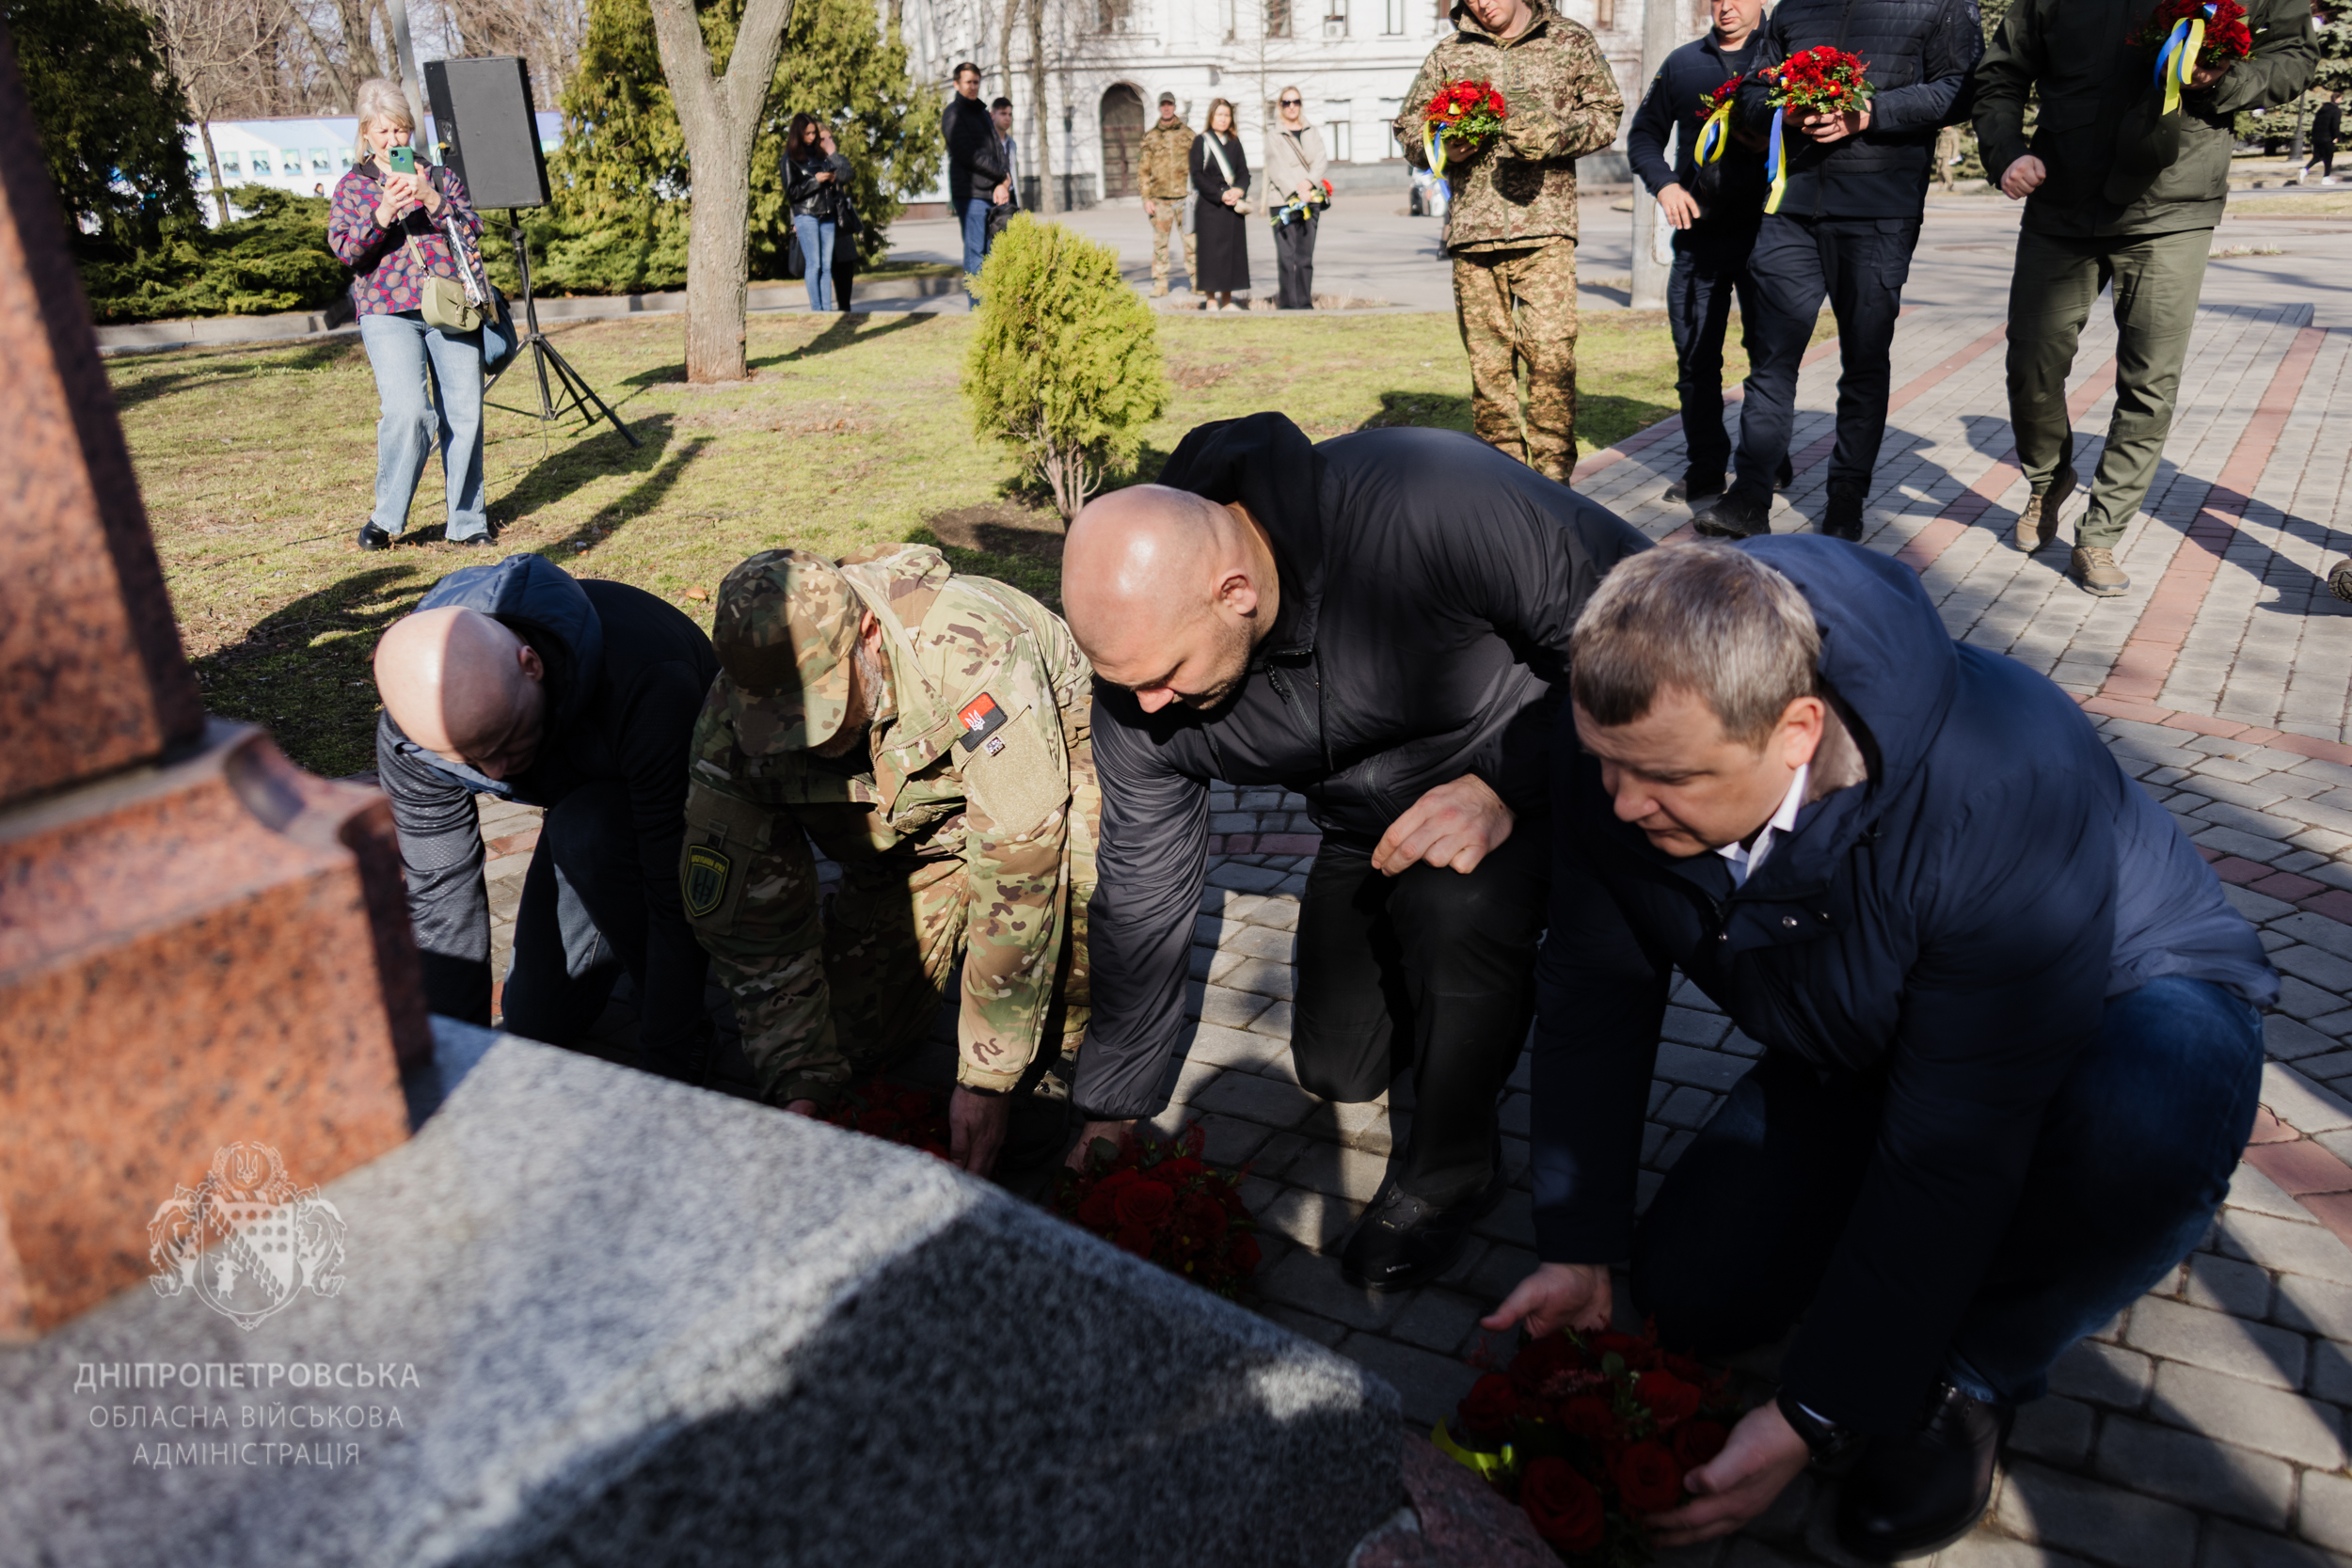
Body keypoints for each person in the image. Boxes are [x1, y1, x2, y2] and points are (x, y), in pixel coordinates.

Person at [1492, 539, 2275, 1560]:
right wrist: (1578, 1234)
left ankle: (1975, 1370)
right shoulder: (1625, 730)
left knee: (2145, 1121)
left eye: (1664, 777)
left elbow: (1956, 1136)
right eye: (1604, 763)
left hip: (2119, 996)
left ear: (1797, 730)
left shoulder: (2001, 782)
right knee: (1688, 1294)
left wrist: (1817, 1408)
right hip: (1870, 1022)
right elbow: (1596, 989)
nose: (1621, 802)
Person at [1059, 413, 1650, 1291]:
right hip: (1365, 828)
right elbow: (1143, 892)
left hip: (1519, 780)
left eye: (1164, 675)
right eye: (1124, 682)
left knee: (1461, 909)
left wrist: (1508, 786)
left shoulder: (1428, 498)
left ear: (1235, 592)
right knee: (1338, 1067)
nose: (1147, 706)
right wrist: (1112, 1103)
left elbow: (1644, 623)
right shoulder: (1139, 688)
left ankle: (1452, 1169)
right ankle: (1464, 1009)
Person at [683, 545, 1095, 1180]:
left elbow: (1023, 864)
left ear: (868, 634)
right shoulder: (733, 723)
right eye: (783, 724)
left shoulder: (971, 652)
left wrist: (988, 1077)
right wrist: (798, 1083)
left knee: (1085, 888)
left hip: (1044, 776)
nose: (806, 740)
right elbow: (750, 924)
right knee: (852, 1044)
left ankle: (1061, 1043)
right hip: (910, 843)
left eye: (821, 707)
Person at [1976, 0, 2313, 594]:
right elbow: (2001, 72)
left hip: (2173, 202)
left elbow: (2293, 59)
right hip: (2062, 196)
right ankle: (2049, 478)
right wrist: (2007, 152)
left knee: (2149, 380)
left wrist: (2223, 78)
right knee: (2031, 360)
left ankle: (2100, 534)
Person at [373, 553, 723, 1084]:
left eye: (505, 739)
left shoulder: (648, 678)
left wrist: (670, 1059)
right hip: (586, 789)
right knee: (536, 1024)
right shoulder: (412, 739)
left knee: (589, 834)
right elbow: (442, 901)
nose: (496, 770)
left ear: (530, 665)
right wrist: (452, 1074)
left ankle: (685, 1016)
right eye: (468, 758)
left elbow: (669, 886)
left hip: (698, 796)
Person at [1695, 0, 1982, 544]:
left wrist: (1869, 112)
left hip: (1880, 209)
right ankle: (1751, 495)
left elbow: (1963, 88)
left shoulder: (1941, 5)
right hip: (1790, 207)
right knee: (1771, 356)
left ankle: (1846, 495)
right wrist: (1785, 112)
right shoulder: (1794, 8)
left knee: (1864, 358)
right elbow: (1753, 91)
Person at [1399, 0, 1623, 483]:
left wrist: (1558, 135)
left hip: (1545, 229)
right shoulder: (1449, 53)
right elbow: (1409, 132)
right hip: (1474, 237)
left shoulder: (1569, 40)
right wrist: (1441, 146)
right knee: (1489, 373)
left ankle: (1554, 483)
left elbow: (1607, 112)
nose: (1482, 4)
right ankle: (1503, 486)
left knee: (1551, 358)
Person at [1625, 0, 1788, 506]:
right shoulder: (1682, 63)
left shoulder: (1784, 58)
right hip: (1700, 237)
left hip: (1771, 234)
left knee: (1769, 357)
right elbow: (1644, 135)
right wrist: (1666, 187)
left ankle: (1765, 460)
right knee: (1696, 361)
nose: (1725, 6)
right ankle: (1706, 468)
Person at [328, 76, 491, 551]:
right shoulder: (353, 186)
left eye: (400, 130)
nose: (393, 140)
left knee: (464, 411)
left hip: (449, 302)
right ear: (365, 134)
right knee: (407, 412)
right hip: (386, 308)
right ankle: (387, 517)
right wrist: (381, 213)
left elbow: (472, 229)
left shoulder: (438, 177)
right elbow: (345, 250)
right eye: (382, 132)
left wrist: (431, 199)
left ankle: (467, 520)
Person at [943, 62, 1008, 296]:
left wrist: (1003, 182)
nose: (973, 87)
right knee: (976, 254)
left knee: (994, 254)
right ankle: (978, 313)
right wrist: (1000, 175)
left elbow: (999, 149)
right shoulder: (953, 113)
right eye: (968, 82)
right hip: (970, 195)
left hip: (992, 193)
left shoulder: (982, 113)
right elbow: (967, 154)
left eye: (976, 82)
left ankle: (992, 311)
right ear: (956, 84)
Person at [1264, 86, 1328, 310]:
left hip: (1310, 199)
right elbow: (1276, 167)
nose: (1291, 107)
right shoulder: (1273, 135)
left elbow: (1321, 159)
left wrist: (1309, 184)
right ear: (1280, 106)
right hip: (1283, 200)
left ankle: (1304, 301)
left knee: (1305, 256)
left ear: (1301, 104)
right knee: (1286, 255)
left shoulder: (1312, 131)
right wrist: (1295, 190)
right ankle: (1288, 303)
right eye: (1286, 102)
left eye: (1296, 102)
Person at [1192, 100, 1252, 310]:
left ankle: (1227, 300)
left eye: (1227, 115)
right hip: (1210, 207)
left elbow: (1244, 173)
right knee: (1209, 254)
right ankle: (1211, 299)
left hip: (1232, 208)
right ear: (1211, 117)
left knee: (1232, 254)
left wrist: (1239, 190)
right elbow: (1197, 176)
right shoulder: (1201, 141)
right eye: (1219, 115)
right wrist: (1220, 194)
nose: (1223, 119)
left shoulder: (1235, 142)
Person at [786, 113, 850, 313]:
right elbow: (792, 192)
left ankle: (827, 311)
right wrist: (816, 181)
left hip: (829, 214)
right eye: (810, 134)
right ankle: (817, 310)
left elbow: (846, 174)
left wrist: (832, 159)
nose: (813, 138)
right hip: (806, 214)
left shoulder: (822, 156)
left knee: (828, 266)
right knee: (814, 265)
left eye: (815, 134)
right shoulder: (791, 158)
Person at [1141, 91, 1199, 295]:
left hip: (1185, 199)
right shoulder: (1151, 137)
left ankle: (1197, 280)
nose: (1166, 108)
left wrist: (1197, 194)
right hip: (1160, 200)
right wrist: (1146, 198)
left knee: (1192, 241)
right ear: (1159, 107)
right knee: (1160, 243)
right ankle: (1161, 283)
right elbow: (1143, 170)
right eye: (1163, 105)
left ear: (1175, 107)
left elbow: (1198, 166)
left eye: (1170, 105)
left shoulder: (1189, 135)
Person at [821, 125, 863, 312]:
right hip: (820, 223)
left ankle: (845, 311)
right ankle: (822, 312)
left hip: (840, 224)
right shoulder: (809, 161)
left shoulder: (838, 159)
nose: (828, 142)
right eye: (823, 139)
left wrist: (832, 154)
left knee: (844, 271)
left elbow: (845, 175)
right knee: (821, 270)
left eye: (830, 138)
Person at [2305, 90, 2342, 182]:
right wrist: (2336, 136)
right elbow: (2335, 125)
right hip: (2328, 137)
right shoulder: (2336, 110)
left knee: (2317, 156)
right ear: (2337, 99)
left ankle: (2304, 170)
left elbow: (2315, 123)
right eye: (2341, 98)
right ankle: (2326, 178)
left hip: (2318, 137)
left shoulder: (2321, 109)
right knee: (2329, 157)